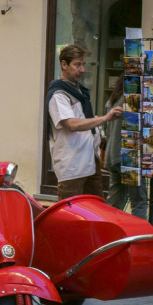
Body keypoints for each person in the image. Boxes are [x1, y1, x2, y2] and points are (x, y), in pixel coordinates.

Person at [46, 44, 122, 200]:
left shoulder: (79, 90)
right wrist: (104, 118)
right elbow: (71, 124)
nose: (82, 69)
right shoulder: (58, 95)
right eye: (77, 64)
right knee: (72, 217)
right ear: (64, 65)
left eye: (83, 64)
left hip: (89, 161)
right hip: (72, 165)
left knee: (96, 210)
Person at [104, 72, 147, 219]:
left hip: (112, 157)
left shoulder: (112, 100)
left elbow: (106, 130)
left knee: (114, 203)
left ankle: (110, 236)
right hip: (128, 157)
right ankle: (140, 239)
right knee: (139, 201)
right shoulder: (131, 100)